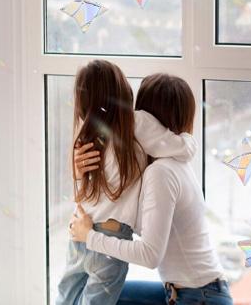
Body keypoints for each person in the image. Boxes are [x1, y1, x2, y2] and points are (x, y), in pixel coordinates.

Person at [70, 73, 233, 305]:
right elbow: (127, 218)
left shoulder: (162, 172)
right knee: (99, 293)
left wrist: (89, 237)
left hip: (199, 297)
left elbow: (150, 256)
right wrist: (82, 175)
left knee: (100, 297)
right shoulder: (166, 165)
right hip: (189, 292)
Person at [56, 61, 197, 305]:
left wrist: (77, 176)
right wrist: (188, 138)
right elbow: (181, 149)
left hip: (79, 230)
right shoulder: (135, 122)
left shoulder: (87, 134)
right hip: (110, 237)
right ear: (122, 91)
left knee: (65, 298)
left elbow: (84, 193)